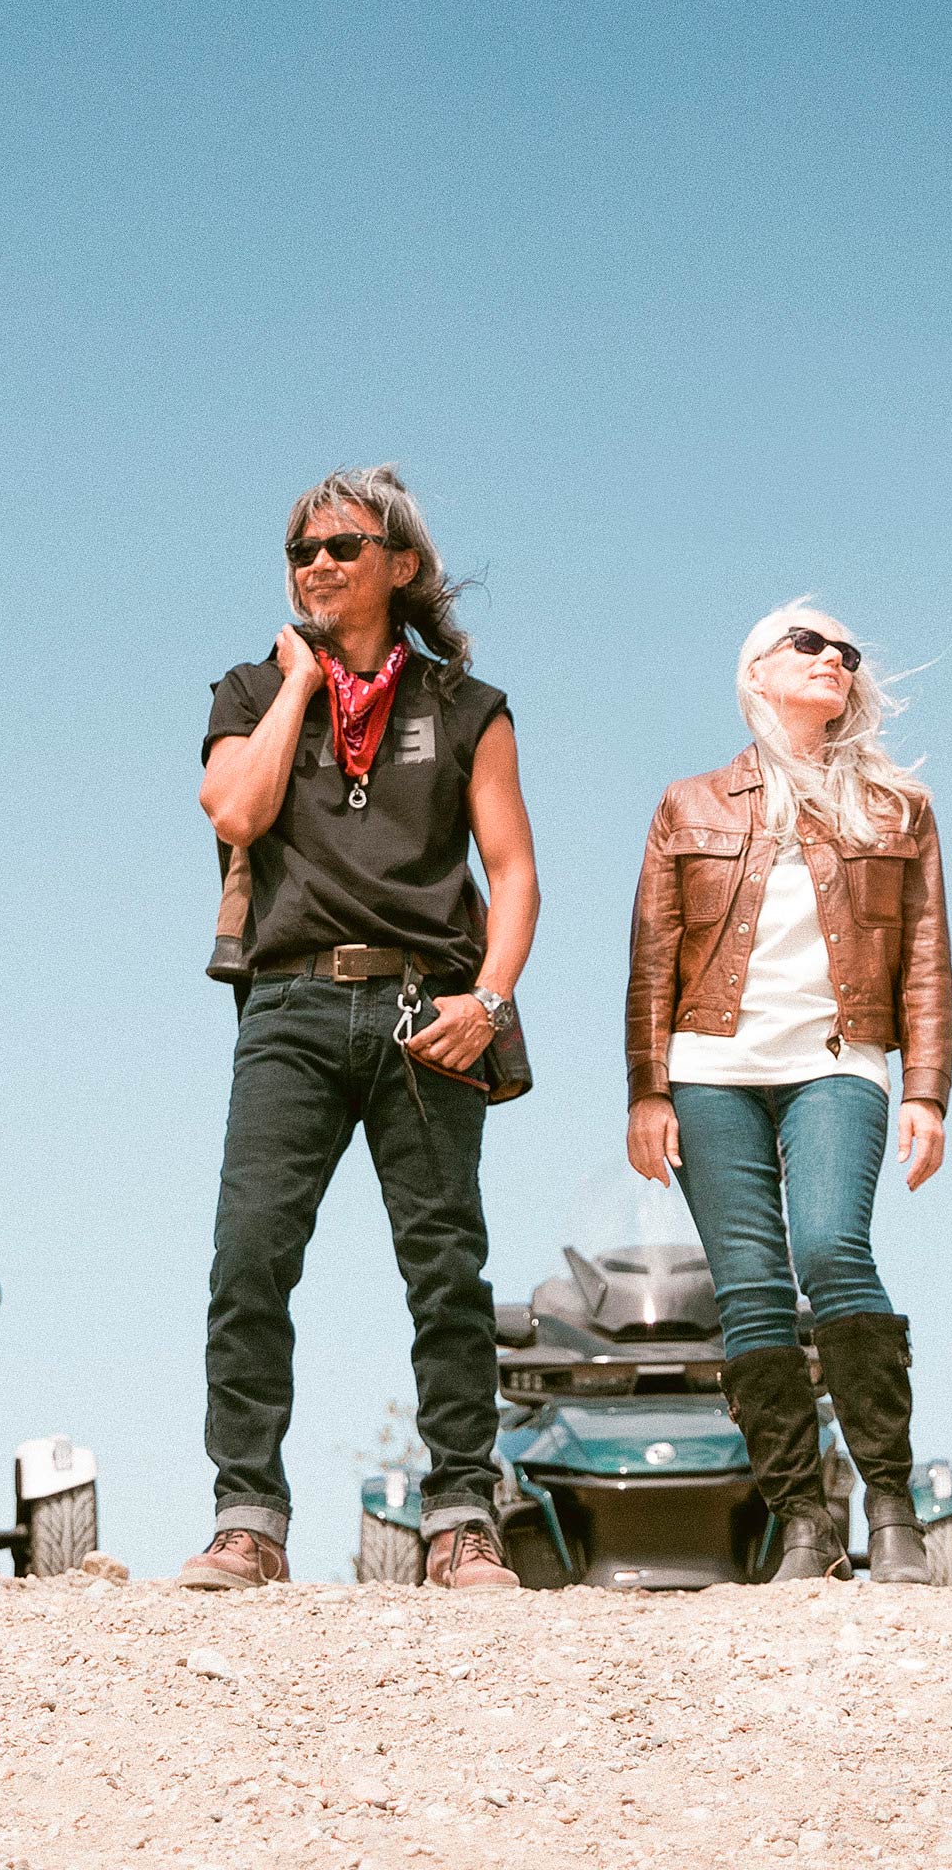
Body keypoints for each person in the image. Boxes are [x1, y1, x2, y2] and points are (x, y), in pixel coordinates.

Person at [179, 467, 539, 1592]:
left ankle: (461, 1517)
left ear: (402, 565)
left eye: (341, 546)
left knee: (445, 1271)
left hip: (424, 1006)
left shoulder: (468, 709)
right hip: (286, 1004)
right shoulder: (246, 688)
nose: (317, 566)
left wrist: (488, 1000)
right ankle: (247, 1521)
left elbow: (515, 871)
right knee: (249, 1259)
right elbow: (236, 810)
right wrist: (295, 685)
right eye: (300, 552)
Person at [623, 602, 952, 1584]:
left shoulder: (898, 808)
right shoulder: (688, 805)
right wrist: (647, 1090)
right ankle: (801, 1520)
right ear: (756, 674)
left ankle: (888, 1504)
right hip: (708, 1070)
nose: (833, 661)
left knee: (831, 1251)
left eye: (846, 653)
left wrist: (925, 1091)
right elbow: (651, 959)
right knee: (753, 1294)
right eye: (808, 644)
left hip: (838, 1062)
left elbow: (926, 959)